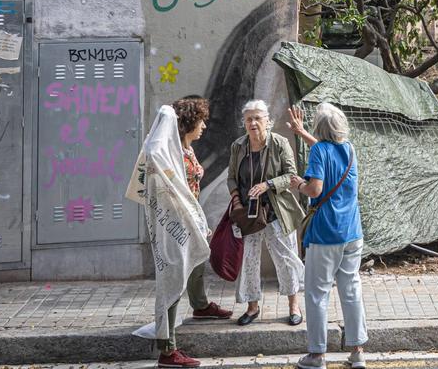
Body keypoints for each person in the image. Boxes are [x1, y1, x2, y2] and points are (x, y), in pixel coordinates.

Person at [127, 105, 210, 368]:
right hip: (174, 228)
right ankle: (168, 351)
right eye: (201, 122)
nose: (204, 127)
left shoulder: (179, 151)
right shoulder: (164, 156)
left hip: (186, 225)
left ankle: (190, 319)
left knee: (180, 277)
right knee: (172, 282)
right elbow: (154, 155)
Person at [288, 104, 368, 369]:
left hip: (325, 234)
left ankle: (317, 355)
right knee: (351, 289)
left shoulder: (318, 151)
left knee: (317, 293)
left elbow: (314, 189)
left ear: (319, 129)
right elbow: (328, 149)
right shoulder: (350, 149)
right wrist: (302, 134)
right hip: (352, 232)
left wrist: (298, 184)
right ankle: (357, 352)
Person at [227, 99, 307, 325]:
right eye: (248, 119)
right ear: (244, 123)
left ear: (267, 121)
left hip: (276, 211)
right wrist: (236, 201)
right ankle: (252, 307)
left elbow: (291, 175)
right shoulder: (238, 146)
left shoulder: (279, 143)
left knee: (286, 257)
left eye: (257, 118)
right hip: (248, 214)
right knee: (249, 260)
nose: (253, 123)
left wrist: (268, 185)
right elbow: (232, 177)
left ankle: (293, 304)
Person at [171, 96, 232, 321]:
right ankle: (173, 315)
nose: (204, 126)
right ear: (190, 123)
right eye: (201, 121)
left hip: (193, 215)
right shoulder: (174, 153)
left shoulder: (188, 149)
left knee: (197, 261)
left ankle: (200, 305)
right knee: (184, 265)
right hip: (181, 217)